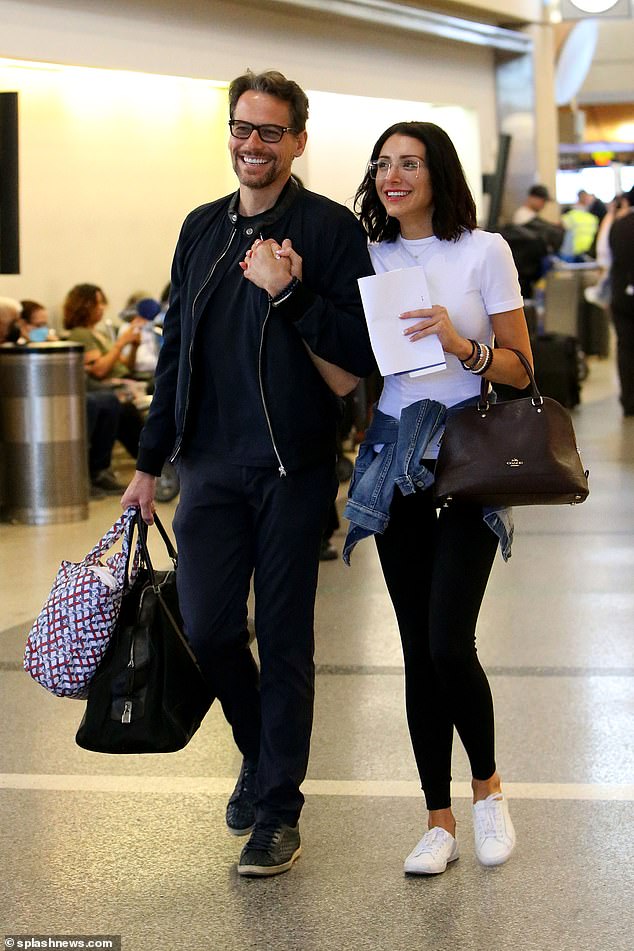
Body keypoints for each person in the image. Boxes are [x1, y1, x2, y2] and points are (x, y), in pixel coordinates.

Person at [121, 69, 375, 877]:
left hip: (293, 469)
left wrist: (292, 291)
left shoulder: (331, 231)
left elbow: (361, 357)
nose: (252, 145)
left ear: (299, 139)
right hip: (209, 467)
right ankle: (260, 750)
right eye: (242, 128)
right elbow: (175, 360)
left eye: (270, 132)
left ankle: (277, 810)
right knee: (209, 628)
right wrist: (147, 462)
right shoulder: (201, 231)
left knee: (289, 640)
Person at [346, 121, 532, 875]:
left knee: (451, 639)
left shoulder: (482, 250)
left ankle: (488, 791)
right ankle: (438, 818)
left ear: (438, 173)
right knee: (418, 649)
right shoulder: (367, 255)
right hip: (396, 466)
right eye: (383, 164)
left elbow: (521, 368)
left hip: (467, 462)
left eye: (409, 163)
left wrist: (465, 347)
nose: (393, 176)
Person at [63, 283, 146, 476]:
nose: (102, 308)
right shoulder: (80, 334)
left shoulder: (99, 334)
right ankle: (150, 460)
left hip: (124, 381)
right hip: (106, 387)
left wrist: (133, 346)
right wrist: (121, 343)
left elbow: (126, 365)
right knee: (125, 410)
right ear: (84, 306)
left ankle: (154, 460)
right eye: (97, 304)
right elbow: (99, 370)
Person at [608, 186, 634, 417]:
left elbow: (609, 259)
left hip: (622, 296)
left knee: (625, 347)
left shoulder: (618, 226)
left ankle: (628, 400)